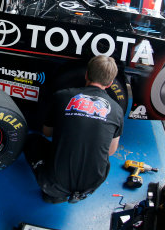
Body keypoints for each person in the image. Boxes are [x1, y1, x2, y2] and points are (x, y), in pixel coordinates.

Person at [23, 55, 123, 204]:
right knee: (102, 158)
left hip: (54, 183)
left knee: (32, 141)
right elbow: (111, 151)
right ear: (109, 84)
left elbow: (47, 133)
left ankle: (54, 193)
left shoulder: (62, 96)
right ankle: (77, 193)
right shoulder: (117, 110)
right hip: (91, 185)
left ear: (86, 74)